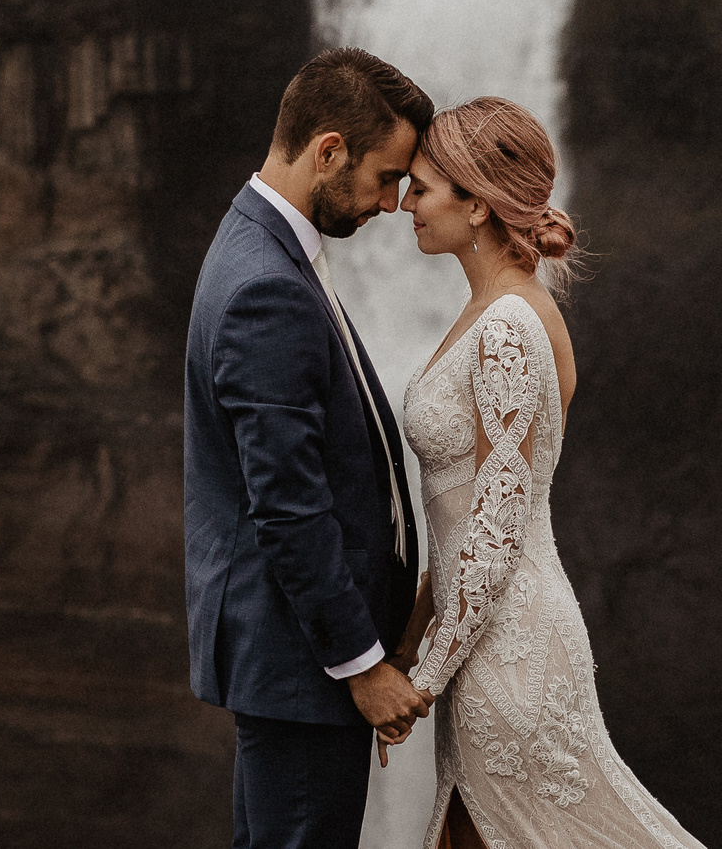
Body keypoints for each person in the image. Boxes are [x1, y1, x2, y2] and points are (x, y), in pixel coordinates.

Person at [389, 96, 707, 849]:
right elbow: (462, 518)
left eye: (424, 187)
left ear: (476, 205)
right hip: (487, 645)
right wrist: (407, 645)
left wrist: (421, 679)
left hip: (510, 653)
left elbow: (495, 528)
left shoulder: (506, 326)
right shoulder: (492, 309)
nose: (406, 203)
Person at [185, 46, 437, 849]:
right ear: (329, 150)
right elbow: (288, 503)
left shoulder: (262, 243)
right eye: (386, 176)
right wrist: (362, 665)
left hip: (288, 658)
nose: (395, 203)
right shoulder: (267, 282)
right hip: (304, 664)